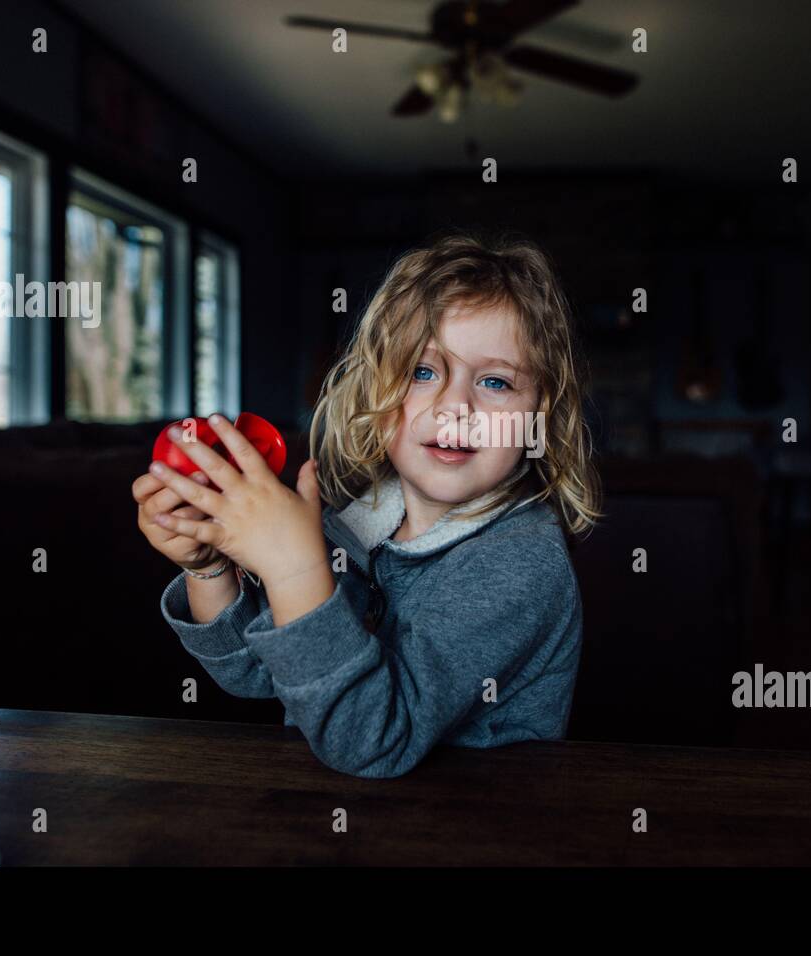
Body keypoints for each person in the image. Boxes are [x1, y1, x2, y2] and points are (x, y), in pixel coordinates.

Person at [132, 231, 601, 778]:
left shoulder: (519, 564)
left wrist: (294, 568)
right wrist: (208, 566)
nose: (455, 405)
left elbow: (373, 739)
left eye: (495, 382)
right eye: (423, 372)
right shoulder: (359, 521)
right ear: (377, 392)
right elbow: (258, 673)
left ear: (537, 416)